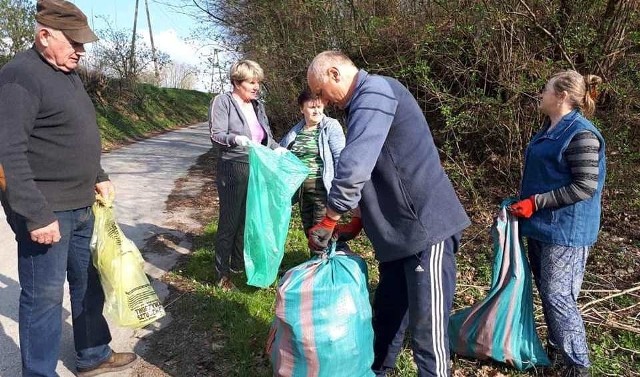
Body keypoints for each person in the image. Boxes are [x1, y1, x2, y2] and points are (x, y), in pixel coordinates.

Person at [306, 51, 470, 377]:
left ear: (335, 73)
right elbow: (384, 171)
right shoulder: (363, 105)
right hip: (397, 236)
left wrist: (330, 217)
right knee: (387, 316)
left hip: (426, 230)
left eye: (322, 92)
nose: (323, 101)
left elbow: (355, 166)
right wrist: (357, 218)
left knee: (428, 333)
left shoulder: (376, 92)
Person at [0, 0, 138, 376]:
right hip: (47, 211)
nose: (81, 50)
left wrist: (98, 174)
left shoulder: (67, 73)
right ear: (44, 36)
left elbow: (73, 134)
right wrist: (35, 214)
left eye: (83, 43)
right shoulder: (19, 77)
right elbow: (6, 154)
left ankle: (93, 355)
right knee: (43, 299)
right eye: (74, 42)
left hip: (82, 205)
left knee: (88, 282)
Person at [509, 70, 605, 377]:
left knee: (559, 296)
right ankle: (557, 349)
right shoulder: (549, 127)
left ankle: (579, 367)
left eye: (545, 89)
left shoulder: (581, 134)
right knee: (549, 291)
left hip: (566, 231)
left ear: (561, 96)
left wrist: (535, 202)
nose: (541, 94)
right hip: (541, 225)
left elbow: (584, 186)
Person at [209, 59, 285, 291]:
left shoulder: (257, 106)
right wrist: (236, 139)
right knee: (229, 221)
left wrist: (276, 147)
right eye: (251, 82)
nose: (256, 87)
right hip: (233, 167)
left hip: (256, 166)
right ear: (236, 82)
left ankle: (237, 263)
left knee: (246, 217)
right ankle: (221, 274)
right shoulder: (223, 102)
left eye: (258, 83)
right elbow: (216, 134)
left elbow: (265, 137)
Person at [279, 89, 346, 237]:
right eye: (312, 107)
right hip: (301, 190)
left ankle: (324, 259)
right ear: (302, 109)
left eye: (319, 107)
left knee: (320, 231)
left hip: (321, 187)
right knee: (309, 229)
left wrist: (340, 188)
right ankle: (316, 259)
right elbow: (280, 153)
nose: (316, 111)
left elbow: (340, 157)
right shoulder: (296, 131)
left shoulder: (330, 126)